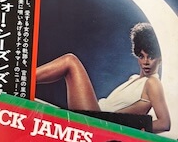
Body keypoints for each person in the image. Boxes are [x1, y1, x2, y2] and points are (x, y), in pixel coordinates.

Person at [36, 23, 170, 133]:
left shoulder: (153, 82)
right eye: (141, 56)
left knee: (70, 61)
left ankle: (25, 77)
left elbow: (164, 123)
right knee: (38, 103)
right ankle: (26, 80)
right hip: (98, 115)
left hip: (99, 122)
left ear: (160, 58)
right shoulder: (134, 79)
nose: (146, 62)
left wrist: (133, 128)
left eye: (151, 57)